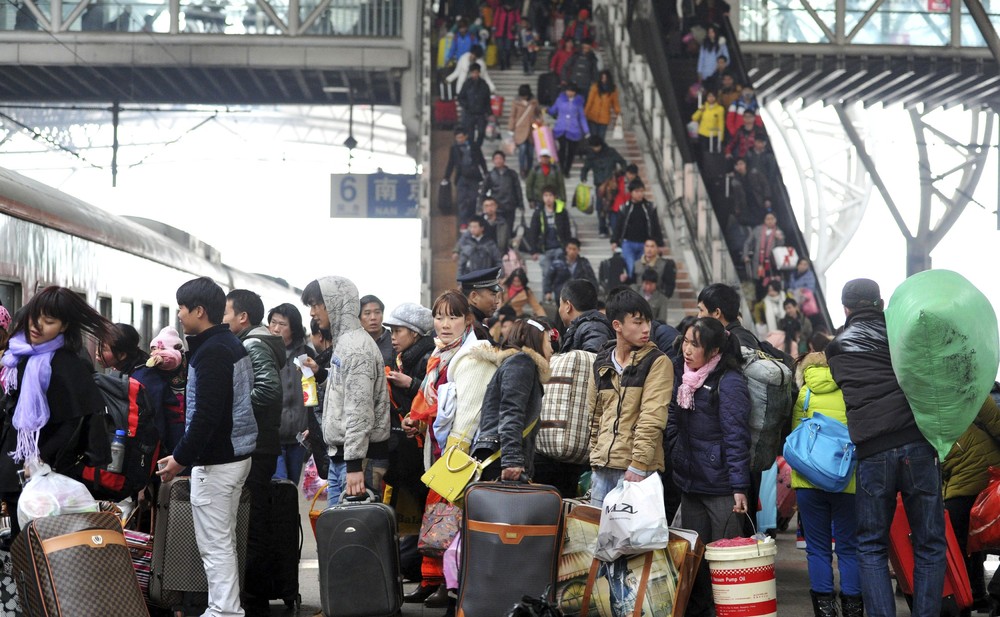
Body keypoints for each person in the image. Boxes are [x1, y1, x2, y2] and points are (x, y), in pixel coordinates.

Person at [826, 278, 947, 617]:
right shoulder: (903, 335)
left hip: (873, 452)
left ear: (846, 309)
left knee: (870, 545)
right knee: (930, 542)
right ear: (880, 304)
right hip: (918, 445)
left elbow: (845, 382)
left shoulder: (835, 349)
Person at [157, 277, 257, 617]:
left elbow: (206, 415)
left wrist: (181, 459)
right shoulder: (228, 344)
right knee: (222, 540)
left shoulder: (212, 352)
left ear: (199, 311)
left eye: (182, 309)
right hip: (233, 454)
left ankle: (224, 611)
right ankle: (225, 608)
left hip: (218, 461)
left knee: (214, 543)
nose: (180, 315)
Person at [0, 287, 114, 539]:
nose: (37, 326)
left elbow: (72, 422)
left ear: (63, 327)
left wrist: (39, 462)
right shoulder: (19, 355)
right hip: (16, 467)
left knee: (42, 547)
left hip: (49, 477)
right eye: (34, 317)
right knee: (23, 546)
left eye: (48, 322)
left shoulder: (67, 365)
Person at [667, 317, 750, 617]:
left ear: (714, 350)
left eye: (695, 345)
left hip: (721, 486)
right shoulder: (683, 375)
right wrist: (677, 450)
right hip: (690, 481)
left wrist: (739, 487)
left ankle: (726, 611)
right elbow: (673, 419)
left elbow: (737, 437)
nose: (687, 350)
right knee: (694, 559)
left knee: (724, 558)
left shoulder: (729, 382)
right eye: (686, 341)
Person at [401, 291, 476, 610]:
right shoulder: (439, 353)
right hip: (436, 446)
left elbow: (469, 409)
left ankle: (448, 584)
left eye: (453, 317)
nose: (445, 324)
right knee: (436, 516)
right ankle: (431, 580)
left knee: (448, 518)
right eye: (440, 317)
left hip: (456, 452)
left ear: (467, 320)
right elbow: (430, 399)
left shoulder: (473, 355)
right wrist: (416, 421)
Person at [222, 289, 284, 617]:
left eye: (226, 313)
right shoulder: (255, 341)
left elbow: (269, 390)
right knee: (255, 518)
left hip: (258, 445)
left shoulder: (252, 344)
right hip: (263, 442)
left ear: (243, 317)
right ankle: (256, 593)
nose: (222, 319)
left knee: (253, 521)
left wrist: (234, 408)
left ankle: (255, 598)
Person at [301, 276, 391, 501]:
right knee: (341, 532)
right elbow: (346, 392)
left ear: (334, 303)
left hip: (358, 462)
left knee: (353, 533)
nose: (312, 312)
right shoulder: (346, 343)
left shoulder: (355, 349)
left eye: (315, 304)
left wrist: (353, 466)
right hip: (346, 458)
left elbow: (359, 410)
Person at [790, 350, 861, 617]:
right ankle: (853, 610)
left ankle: (825, 611)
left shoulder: (804, 394)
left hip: (809, 481)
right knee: (849, 549)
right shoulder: (851, 391)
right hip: (847, 480)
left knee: (817, 549)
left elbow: (797, 436)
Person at [587, 288, 672, 506]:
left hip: (637, 470)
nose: (646, 329)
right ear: (617, 325)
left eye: (648, 322)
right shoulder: (602, 361)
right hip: (603, 468)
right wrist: (595, 456)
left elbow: (652, 418)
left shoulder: (657, 362)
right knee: (598, 538)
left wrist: (639, 464)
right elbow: (595, 415)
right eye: (638, 322)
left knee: (635, 539)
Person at [473, 318, 553, 481]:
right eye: (549, 341)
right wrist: (512, 460)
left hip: (499, 457)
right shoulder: (521, 363)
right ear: (535, 339)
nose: (552, 349)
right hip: (502, 462)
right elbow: (511, 412)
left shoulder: (516, 363)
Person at [941, 395, 1000, 614]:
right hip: (984, 473)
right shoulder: (974, 391)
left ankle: (967, 598)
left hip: (968, 477)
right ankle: (979, 595)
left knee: (958, 544)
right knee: (971, 542)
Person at [96, 323, 177, 455]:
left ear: (122, 355)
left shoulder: (144, 379)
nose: (97, 353)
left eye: (103, 349)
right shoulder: (129, 371)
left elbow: (157, 423)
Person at [266, 303, 313, 485]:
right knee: (280, 482)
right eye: (273, 323)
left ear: (293, 328)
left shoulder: (306, 356)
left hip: (298, 436)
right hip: (272, 435)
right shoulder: (263, 352)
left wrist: (310, 425)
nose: (276, 328)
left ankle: (290, 515)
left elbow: (311, 391)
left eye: (282, 324)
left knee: (291, 486)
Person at [611, 179, 665, 278]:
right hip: (628, 243)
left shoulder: (649, 207)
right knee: (631, 267)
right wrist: (614, 240)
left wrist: (660, 243)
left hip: (644, 244)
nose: (639, 194)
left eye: (641, 191)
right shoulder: (625, 208)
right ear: (631, 193)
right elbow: (618, 226)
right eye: (636, 191)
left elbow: (656, 225)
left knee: (643, 269)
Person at [525, 186, 572, 295]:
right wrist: (533, 250)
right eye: (546, 196)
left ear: (555, 197)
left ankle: (561, 298)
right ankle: (547, 295)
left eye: (550, 195)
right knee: (546, 273)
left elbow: (567, 230)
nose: (548, 198)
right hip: (544, 249)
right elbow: (533, 232)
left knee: (561, 273)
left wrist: (567, 247)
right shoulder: (538, 212)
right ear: (542, 197)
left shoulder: (561, 211)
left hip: (560, 248)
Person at [580, 136, 627, 237]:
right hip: (599, 185)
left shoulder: (611, 152)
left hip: (611, 184)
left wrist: (621, 172)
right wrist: (583, 177)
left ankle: (612, 225)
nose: (595, 149)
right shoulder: (591, 155)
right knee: (600, 207)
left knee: (612, 206)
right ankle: (602, 228)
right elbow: (585, 168)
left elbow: (622, 162)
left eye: (596, 146)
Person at [442, 127, 488, 227]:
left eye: (461, 137)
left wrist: (485, 172)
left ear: (465, 136)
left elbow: (481, 160)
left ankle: (471, 219)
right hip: (461, 177)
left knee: (473, 199)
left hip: (473, 176)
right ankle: (463, 222)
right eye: (457, 138)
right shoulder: (454, 148)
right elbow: (451, 163)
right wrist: (446, 177)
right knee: (461, 200)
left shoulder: (474, 146)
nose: (459, 140)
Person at [559, 279, 614, 353]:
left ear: (568, 306)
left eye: (560, 304)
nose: (559, 309)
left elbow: (594, 360)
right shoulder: (586, 327)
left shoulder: (593, 328)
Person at [548, 82, 589, 174]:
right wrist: (548, 110)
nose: (569, 93)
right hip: (561, 127)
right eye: (568, 91)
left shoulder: (578, 102)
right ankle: (561, 168)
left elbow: (582, 116)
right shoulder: (560, 100)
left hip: (574, 129)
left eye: (571, 91)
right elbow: (553, 110)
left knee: (571, 151)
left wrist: (586, 130)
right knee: (562, 149)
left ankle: (567, 169)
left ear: (575, 92)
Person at [743, 211, 785, 298]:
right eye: (767, 219)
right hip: (758, 263)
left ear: (775, 220)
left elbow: (780, 249)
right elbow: (747, 243)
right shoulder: (757, 229)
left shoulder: (778, 231)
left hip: (771, 265)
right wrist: (745, 255)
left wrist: (780, 239)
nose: (770, 221)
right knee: (758, 284)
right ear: (764, 220)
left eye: (772, 219)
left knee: (769, 284)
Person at [545, 237, 598, 303]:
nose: (571, 251)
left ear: (578, 250)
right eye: (569, 249)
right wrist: (548, 291)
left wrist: (594, 292)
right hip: (561, 295)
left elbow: (591, 278)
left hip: (579, 296)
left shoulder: (584, 263)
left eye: (574, 249)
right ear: (566, 249)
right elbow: (549, 277)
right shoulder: (558, 262)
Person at [458, 267, 503, 343]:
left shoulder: (469, 321)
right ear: (474, 297)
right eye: (493, 295)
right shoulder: (473, 328)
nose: (497, 301)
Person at [482, 150, 525, 222]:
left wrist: (520, 204)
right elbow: (483, 191)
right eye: (496, 159)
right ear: (493, 161)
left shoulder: (512, 174)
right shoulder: (490, 175)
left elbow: (517, 189)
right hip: (496, 206)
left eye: (500, 158)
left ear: (504, 160)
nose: (498, 161)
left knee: (509, 228)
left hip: (510, 205)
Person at [508, 84, 542, 177]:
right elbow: (512, 116)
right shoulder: (516, 103)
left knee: (530, 152)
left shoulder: (534, 103)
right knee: (522, 150)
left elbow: (538, 114)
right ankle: (522, 169)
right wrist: (511, 128)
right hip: (520, 130)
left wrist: (540, 122)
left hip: (531, 130)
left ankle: (529, 169)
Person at [457, 62, 493, 147]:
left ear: (479, 73)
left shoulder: (484, 85)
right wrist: (466, 106)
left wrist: (490, 113)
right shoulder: (467, 84)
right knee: (470, 134)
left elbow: (487, 100)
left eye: (476, 72)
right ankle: (472, 148)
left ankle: (477, 147)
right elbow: (461, 97)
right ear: (470, 73)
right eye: (473, 72)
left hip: (481, 113)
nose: (475, 74)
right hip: (469, 113)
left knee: (481, 132)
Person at [584, 69, 620, 140]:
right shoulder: (595, 87)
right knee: (593, 138)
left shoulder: (613, 89)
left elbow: (615, 103)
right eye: (602, 78)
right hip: (592, 116)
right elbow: (589, 102)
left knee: (601, 138)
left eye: (605, 78)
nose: (603, 80)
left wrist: (618, 113)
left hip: (604, 118)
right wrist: (585, 113)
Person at [360, 294, 394, 367]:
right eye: (367, 313)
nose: (373, 317)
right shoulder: (355, 343)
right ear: (359, 319)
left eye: (377, 312)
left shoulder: (394, 341)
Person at [692, 90, 726, 154]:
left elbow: (721, 123)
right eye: (709, 96)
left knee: (712, 152)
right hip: (703, 133)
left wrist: (721, 137)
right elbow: (694, 118)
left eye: (712, 96)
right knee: (703, 152)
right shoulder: (703, 107)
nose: (711, 98)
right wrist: (700, 110)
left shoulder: (720, 109)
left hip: (714, 134)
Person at [492, 1, 520, 71]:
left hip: (509, 34)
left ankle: (507, 62)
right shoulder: (500, 9)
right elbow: (495, 20)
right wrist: (493, 33)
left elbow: (518, 21)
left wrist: (515, 27)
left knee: (508, 49)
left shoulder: (515, 11)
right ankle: (502, 64)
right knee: (500, 49)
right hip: (499, 33)